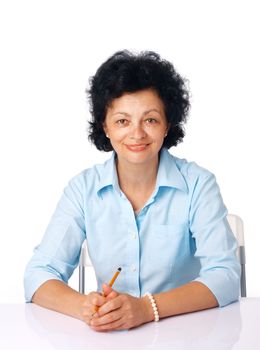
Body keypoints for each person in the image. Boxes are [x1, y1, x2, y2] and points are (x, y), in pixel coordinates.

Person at [24, 50, 240, 331]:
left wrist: (146, 308)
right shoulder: (83, 189)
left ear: (167, 125)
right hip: (110, 338)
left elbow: (225, 275)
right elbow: (38, 274)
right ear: (106, 127)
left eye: (150, 119)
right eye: (122, 121)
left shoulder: (199, 184)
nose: (136, 134)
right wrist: (83, 306)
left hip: (189, 334)